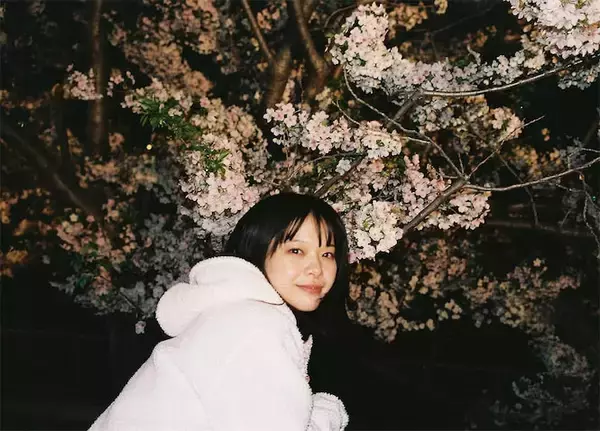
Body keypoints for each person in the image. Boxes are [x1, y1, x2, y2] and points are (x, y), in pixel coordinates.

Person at [88, 192, 350, 431]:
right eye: (296, 250)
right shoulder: (256, 325)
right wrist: (328, 411)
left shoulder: (237, 315)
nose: (317, 268)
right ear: (259, 250)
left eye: (327, 254)